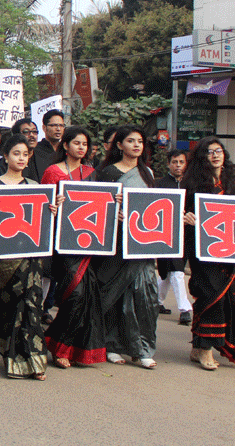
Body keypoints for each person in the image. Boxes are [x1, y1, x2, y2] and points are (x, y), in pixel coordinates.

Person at [182, 136, 235, 371]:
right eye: (209, 152)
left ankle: (198, 346)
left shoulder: (232, 181)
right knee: (211, 294)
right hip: (202, 248)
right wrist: (186, 217)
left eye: (219, 151)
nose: (215, 155)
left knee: (227, 296)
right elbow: (179, 210)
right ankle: (205, 350)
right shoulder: (191, 182)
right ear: (202, 157)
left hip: (228, 247)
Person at [0, 134, 48, 380]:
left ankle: (30, 360)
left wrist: (53, 208)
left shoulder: (35, 188)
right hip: (2, 258)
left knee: (29, 306)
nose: (21, 158)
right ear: (6, 156)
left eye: (25, 154)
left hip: (30, 259)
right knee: (3, 305)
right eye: (16, 153)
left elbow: (43, 224)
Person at [93, 125, 160, 370]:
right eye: (130, 141)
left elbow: (154, 206)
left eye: (140, 141)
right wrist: (114, 209)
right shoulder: (108, 173)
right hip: (117, 244)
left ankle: (143, 348)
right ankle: (112, 345)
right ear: (119, 145)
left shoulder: (148, 173)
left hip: (142, 245)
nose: (136, 145)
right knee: (116, 296)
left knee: (145, 296)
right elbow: (97, 206)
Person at [40, 128, 104, 369]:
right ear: (65, 146)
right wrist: (53, 205)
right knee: (73, 294)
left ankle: (63, 345)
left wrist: (114, 203)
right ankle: (59, 346)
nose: (81, 147)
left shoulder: (91, 173)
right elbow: (44, 204)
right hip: (62, 242)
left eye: (85, 144)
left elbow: (99, 204)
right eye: (76, 143)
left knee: (85, 296)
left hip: (88, 242)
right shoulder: (53, 172)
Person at [155, 149, 192, 325]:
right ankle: (185, 309)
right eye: (175, 162)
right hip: (165, 234)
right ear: (168, 164)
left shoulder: (191, 184)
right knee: (173, 271)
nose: (178, 165)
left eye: (181, 162)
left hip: (185, 234)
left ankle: (156, 300)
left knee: (171, 272)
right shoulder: (160, 184)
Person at [11, 118, 47, 182]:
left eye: (34, 132)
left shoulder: (44, 158)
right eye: (26, 132)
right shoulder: (8, 160)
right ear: (16, 135)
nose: (31, 135)